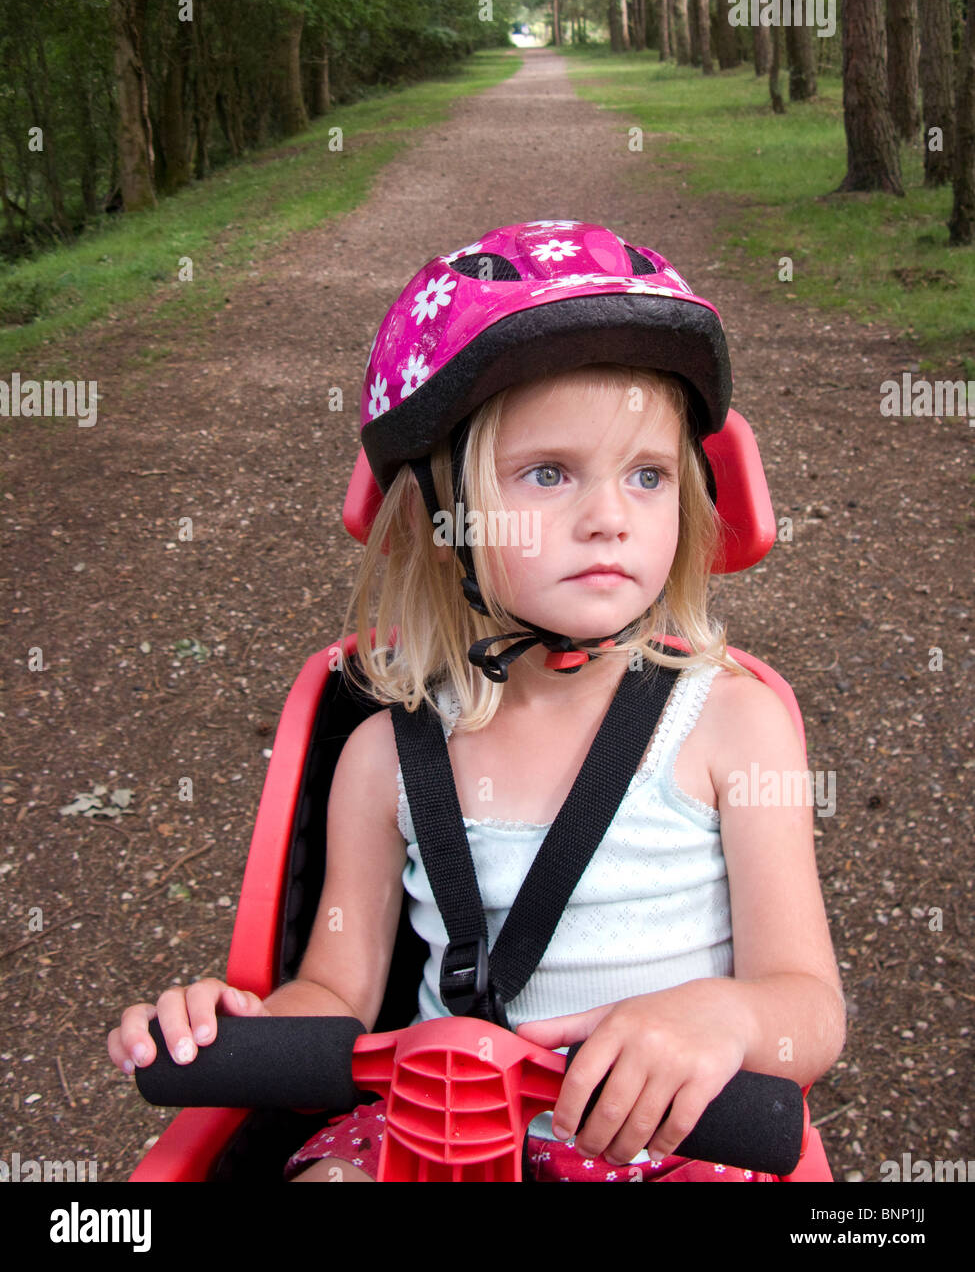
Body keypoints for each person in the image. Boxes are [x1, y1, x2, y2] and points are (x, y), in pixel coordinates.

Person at [109, 220, 845, 1183]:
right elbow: (336, 989)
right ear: (435, 515)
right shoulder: (383, 754)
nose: (607, 517)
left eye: (648, 476)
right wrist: (233, 1024)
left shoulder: (731, 725)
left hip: (669, 1142)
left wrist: (727, 1016)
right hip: (434, 1132)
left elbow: (808, 1010)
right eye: (547, 474)